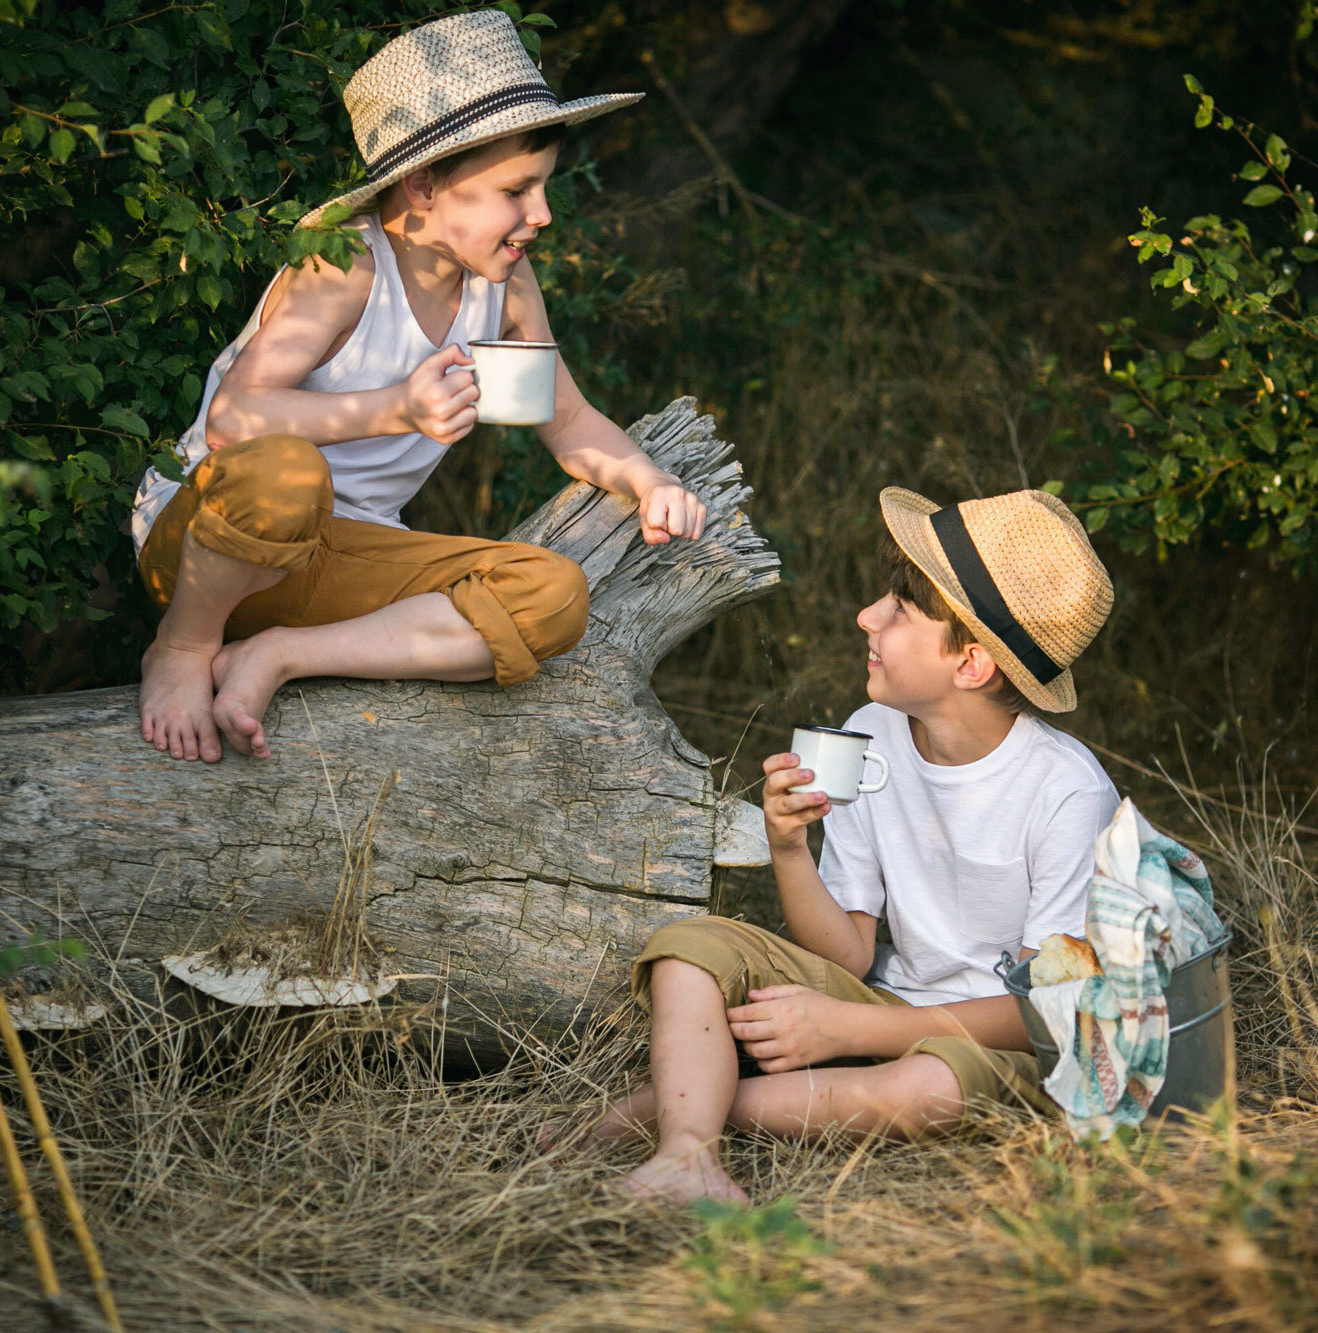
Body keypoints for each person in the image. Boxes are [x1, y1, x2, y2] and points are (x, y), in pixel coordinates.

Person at [131, 9, 707, 763]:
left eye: (544, 189)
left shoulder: (502, 285)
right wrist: (395, 407)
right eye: (517, 190)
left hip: (343, 558)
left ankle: (276, 654)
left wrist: (647, 477)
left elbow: (562, 418)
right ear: (425, 184)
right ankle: (182, 649)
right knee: (285, 471)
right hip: (212, 543)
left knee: (555, 594)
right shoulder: (345, 269)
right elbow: (234, 419)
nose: (542, 214)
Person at [593, 486, 1120, 1203]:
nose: (866, 615)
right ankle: (689, 1154)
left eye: (900, 611)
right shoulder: (870, 732)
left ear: (971, 664)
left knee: (928, 1087)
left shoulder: (1067, 793)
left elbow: (1043, 1013)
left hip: (991, 1046)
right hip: (878, 1003)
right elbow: (846, 953)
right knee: (689, 950)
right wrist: (788, 846)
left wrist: (847, 1026)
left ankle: (681, 1101)